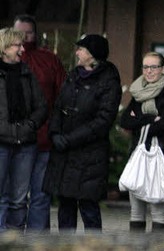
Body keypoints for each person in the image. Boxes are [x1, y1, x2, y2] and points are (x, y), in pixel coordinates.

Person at [43, 34, 122, 232]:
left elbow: (103, 121)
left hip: (90, 156)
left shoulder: (109, 81)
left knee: (88, 207)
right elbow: (59, 106)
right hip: (65, 154)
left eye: (81, 50)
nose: (77, 52)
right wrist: (54, 134)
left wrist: (69, 139)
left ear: (93, 55)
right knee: (66, 206)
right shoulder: (73, 75)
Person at [9, 15, 66, 231]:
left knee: (41, 195)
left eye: (28, 33)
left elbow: (63, 96)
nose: (23, 38)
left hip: (44, 139)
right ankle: (13, 240)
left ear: (36, 33)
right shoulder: (6, 60)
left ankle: (37, 242)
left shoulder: (49, 60)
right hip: (15, 140)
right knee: (15, 195)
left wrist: (57, 130)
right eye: (19, 33)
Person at [119, 52, 164, 233]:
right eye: (145, 67)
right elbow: (124, 121)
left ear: (163, 69)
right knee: (136, 209)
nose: (148, 71)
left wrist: (138, 119)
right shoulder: (138, 90)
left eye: (153, 67)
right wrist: (149, 119)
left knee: (158, 208)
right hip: (137, 153)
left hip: (161, 154)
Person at [0, 28, 47, 231]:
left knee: (19, 199)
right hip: (1, 143)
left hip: (25, 145)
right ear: (4, 47)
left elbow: (41, 107)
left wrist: (29, 126)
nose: (21, 49)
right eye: (17, 45)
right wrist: (6, 129)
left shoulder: (27, 73)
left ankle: (15, 242)